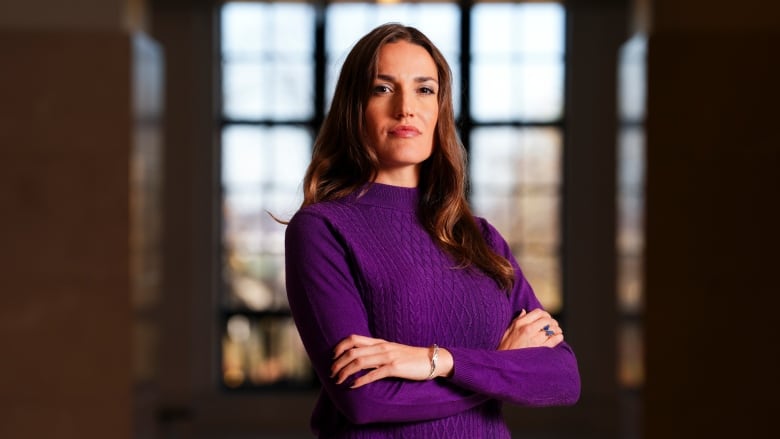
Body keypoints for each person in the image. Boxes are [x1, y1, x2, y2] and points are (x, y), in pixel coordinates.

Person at [284, 23, 580, 438]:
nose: (406, 108)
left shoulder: (482, 238)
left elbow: (563, 377)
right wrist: (497, 367)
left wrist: (438, 361)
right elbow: (365, 400)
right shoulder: (322, 230)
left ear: (441, 107)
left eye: (425, 89)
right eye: (383, 89)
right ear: (354, 106)